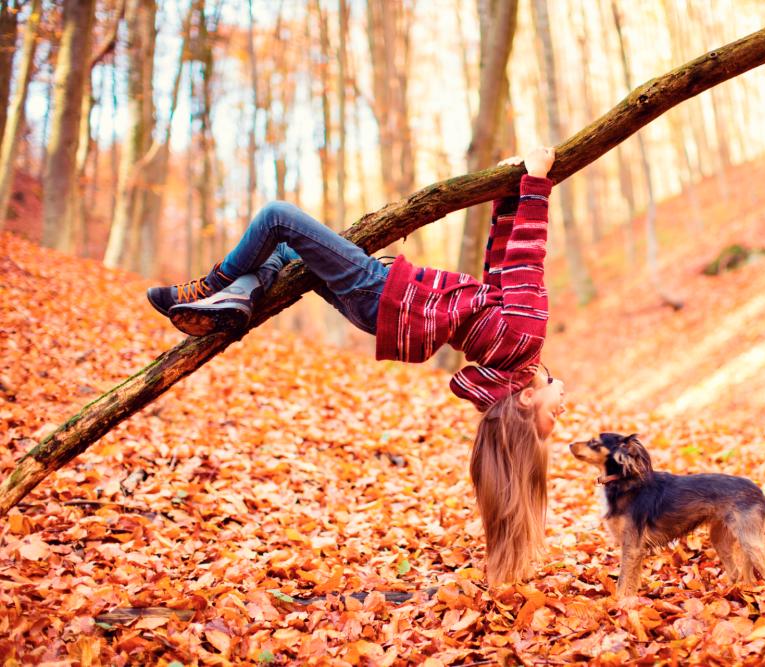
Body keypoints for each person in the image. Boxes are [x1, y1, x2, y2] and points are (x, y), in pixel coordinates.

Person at [147, 147, 566, 583]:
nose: (564, 406)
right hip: (379, 311)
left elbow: (525, 262)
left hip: (382, 294)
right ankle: (238, 295)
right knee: (289, 251)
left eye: (554, 413)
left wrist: (535, 185)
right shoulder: (513, 353)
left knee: (277, 217)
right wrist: (508, 196)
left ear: (529, 397)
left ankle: (213, 285)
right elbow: (501, 269)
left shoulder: (525, 337)